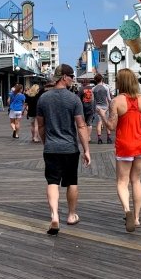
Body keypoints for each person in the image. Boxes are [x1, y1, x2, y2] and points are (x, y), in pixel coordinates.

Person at [96, 68, 141, 233]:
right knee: (136, 180)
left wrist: (101, 114)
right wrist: (139, 117)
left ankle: (127, 211)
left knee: (122, 181)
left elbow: (111, 127)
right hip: (140, 143)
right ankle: (136, 218)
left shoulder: (116, 101)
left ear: (120, 82)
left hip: (125, 144)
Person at [36, 64, 91, 235]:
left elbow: (41, 125)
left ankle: (54, 215)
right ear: (64, 77)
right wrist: (86, 149)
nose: (73, 79)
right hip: (69, 148)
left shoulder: (43, 98)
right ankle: (71, 215)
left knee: (52, 182)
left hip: (51, 148)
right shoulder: (73, 99)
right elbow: (81, 126)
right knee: (71, 182)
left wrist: (46, 143)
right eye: (72, 76)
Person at [92, 73, 113, 144]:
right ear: (102, 79)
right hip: (105, 107)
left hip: (97, 107)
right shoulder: (106, 88)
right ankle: (108, 138)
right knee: (107, 122)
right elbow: (109, 99)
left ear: (95, 80)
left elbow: (92, 100)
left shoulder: (93, 89)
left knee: (99, 123)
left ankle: (99, 139)